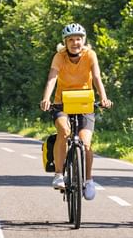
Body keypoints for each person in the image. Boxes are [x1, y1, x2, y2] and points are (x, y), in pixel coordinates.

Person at [40, 23, 113, 201]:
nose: (75, 43)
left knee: (86, 143)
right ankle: (58, 174)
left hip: (84, 103)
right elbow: (52, 78)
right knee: (63, 132)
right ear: (65, 42)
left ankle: (88, 180)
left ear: (84, 40)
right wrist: (46, 98)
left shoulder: (90, 55)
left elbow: (96, 77)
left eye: (78, 39)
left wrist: (103, 97)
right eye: (71, 40)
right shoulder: (59, 56)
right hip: (61, 103)